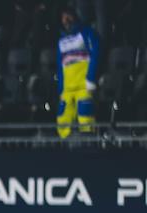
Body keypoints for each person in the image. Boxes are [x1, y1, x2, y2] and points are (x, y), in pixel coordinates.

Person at [56, 5, 99, 138]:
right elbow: (60, 65)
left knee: (85, 117)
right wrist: (61, 88)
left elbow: (96, 54)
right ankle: (63, 145)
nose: (66, 19)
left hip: (83, 86)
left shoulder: (87, 33)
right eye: (63, 17)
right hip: (67, 89)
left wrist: (91, 79)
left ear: (75, 16)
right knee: (63, 119)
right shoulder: (61, 40)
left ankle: (89, 146)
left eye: (68, 16)